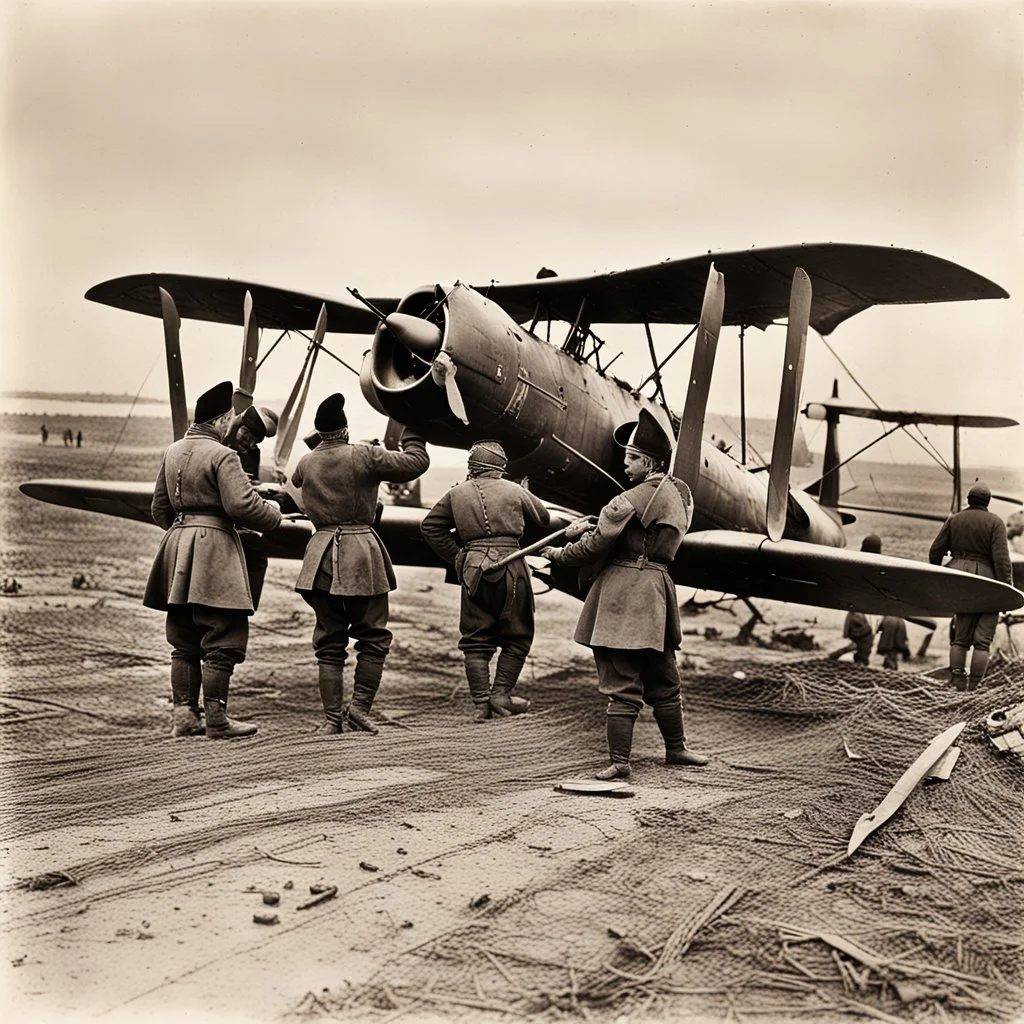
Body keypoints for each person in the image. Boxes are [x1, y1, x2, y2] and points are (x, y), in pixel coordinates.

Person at [541, 408, 707, 779]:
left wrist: (558, 553)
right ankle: (676, 749)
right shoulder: (681, 497)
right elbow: (645, 537)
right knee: (664, 676)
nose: (625, 466)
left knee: (622, 680)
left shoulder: (626, 501)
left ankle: (619, 762)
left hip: (621, 595)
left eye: (632, 459)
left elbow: (595, 548)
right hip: (657, 594)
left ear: (648, 462)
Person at [144, 381, 283, 739]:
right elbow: (242, 505)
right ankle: (218, 721)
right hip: (214, 548)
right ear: (222, 420)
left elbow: (159, 508)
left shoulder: (172, 450)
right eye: (229, 418)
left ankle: (185, 718)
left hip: (177, 548)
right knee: (224, 632)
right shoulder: (224, 455)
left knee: (184, 637)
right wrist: (274, 514)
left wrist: (183, 532)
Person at [292, 393, 429, 734]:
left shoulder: (306, 463)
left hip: (319, 559)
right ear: (346, 430)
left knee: (328, 640)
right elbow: (416, 463)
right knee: (373, 637)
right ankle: (359, 709)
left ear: (320, 432)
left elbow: (297, 481)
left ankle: (330, 720)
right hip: (360, 557)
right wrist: (415, 425)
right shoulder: (363, 455)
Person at [420, 441, 551, 722]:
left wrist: (458, 557)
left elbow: (429, 526)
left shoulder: (455, 493)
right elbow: (543, 518)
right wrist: (526, 493)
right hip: (511, 569)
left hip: (473, 570)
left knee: (475, 640)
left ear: (472, 467)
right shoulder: (515, 490)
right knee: (517, 637)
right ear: (501, 467)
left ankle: (481, 704)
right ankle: (501, 695)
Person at [929, 481, 1013, 690]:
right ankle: (974, 687)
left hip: (960, 580)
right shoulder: (996, 523)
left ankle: (957, 683)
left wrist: (940, 575)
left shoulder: (954, 520)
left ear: (968, 499)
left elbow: (935, 552)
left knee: (960, 639)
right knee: (982, 641)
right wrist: (1006, 591)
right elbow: (1002, 561)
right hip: (988, 582)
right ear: (988, 502)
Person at [225, 405, 281, 611]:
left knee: (256, 553)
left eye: (254, 442)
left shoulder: (250, 452)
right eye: (247, 438)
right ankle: (241, 606)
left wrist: (261, 490)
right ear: (240, 425)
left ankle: (244, 607)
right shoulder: (218, 445)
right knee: (255, 556)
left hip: (237, 518)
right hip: (225, 519)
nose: (248, 445)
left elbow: (249, 482)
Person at [828, 535, 882, 665]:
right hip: (866, 614)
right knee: (865, 644)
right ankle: (857, 665)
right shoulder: (879, 565)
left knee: (858, 642)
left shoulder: (855, 562)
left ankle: (840, 658)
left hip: (855, 610)